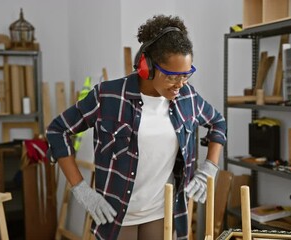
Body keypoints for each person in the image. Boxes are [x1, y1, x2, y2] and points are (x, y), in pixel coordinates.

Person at [46, 14, 226, 240]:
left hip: (163, 212)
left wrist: (210, 166)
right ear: (147, 67)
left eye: (186, 75)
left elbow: (217, 123)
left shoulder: (187, 98)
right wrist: (81, 190)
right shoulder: (108, 96)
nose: (180, 85)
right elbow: (57, 130)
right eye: (172, 76)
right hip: (116, 214)